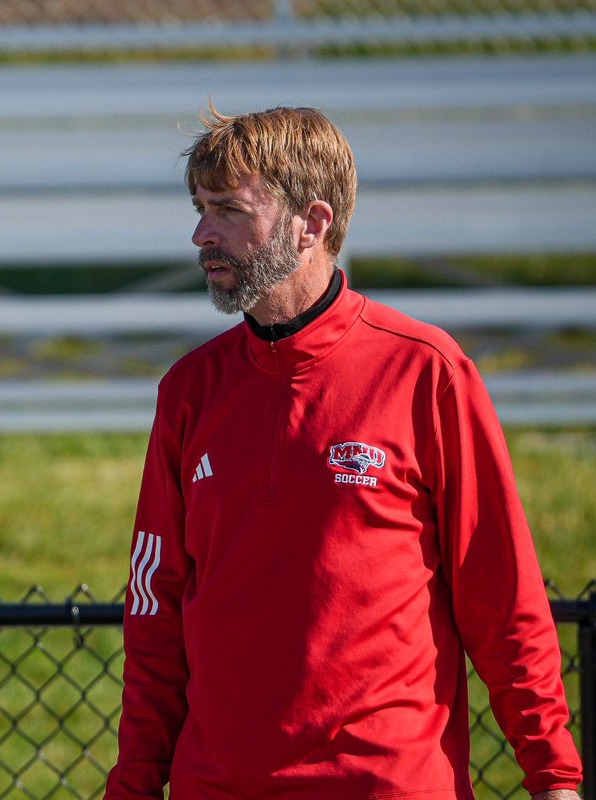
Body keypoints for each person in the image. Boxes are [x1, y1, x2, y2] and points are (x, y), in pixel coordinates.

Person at [104, 105, 582, 799]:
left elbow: (501, 594)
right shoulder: (189, 390)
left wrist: (554, 776)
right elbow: (155, 618)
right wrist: (137, 783)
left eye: (230, 211)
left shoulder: (426, 371)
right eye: (201, 209)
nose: (202, 234)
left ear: (313, 222)